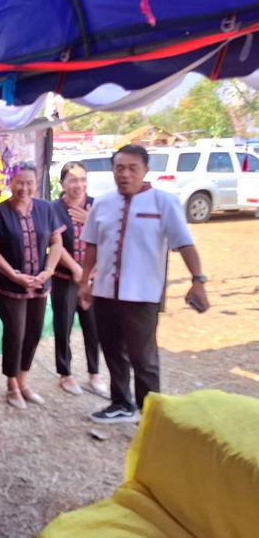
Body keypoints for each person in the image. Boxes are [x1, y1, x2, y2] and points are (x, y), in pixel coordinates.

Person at [79, 145, 209, 423]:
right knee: (112, 350)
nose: (125, 174)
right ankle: (121, 404)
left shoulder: (164, 202)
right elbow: (92, 245)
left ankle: (150, 415)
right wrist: (84, 281)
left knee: (143, 357)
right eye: (119, 168)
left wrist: (198, 280)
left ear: (146, 170)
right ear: (113, 170)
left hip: (142, 295)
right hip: (105, 292)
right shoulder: (102, 203)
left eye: (132, 168)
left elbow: (185, 243)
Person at [0, 163, 64, 409]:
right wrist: (14, 275)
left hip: (40, 283)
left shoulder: (46, 209)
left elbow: (56, 243)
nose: (24, 188)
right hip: (10, 285)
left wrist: (48, 270)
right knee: (15, 333)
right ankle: (11, 384)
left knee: (33, 332)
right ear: (10, 183)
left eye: (29, 183)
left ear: (36, 183)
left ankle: (23, 381)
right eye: (19, 182)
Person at [50, 162, 106, 396]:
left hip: (94, 277)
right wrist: (75, 269)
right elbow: (53, 243)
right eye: (72, 180)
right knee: (63, 325)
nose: (79, 185)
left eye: (83, 179)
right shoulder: (54, 209)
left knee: (93, 326)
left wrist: (91, 221)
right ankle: (66, 373)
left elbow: (110, 237)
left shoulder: (97, 206)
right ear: (62, 183)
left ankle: (95, 372)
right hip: (65, 277)